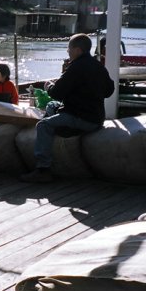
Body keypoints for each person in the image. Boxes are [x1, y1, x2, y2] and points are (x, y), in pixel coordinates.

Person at [20, 33, 115, 183]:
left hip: (80, 117)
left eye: (69, 49)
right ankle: (52, 139)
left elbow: (57, 93)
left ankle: (43, 168)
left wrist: (49, 86)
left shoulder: (76, 67)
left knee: (43, 125)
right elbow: (109, 91)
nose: (68, 52)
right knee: (52, 106)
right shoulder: (98, 66)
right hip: (96, 117)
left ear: (77, 50)